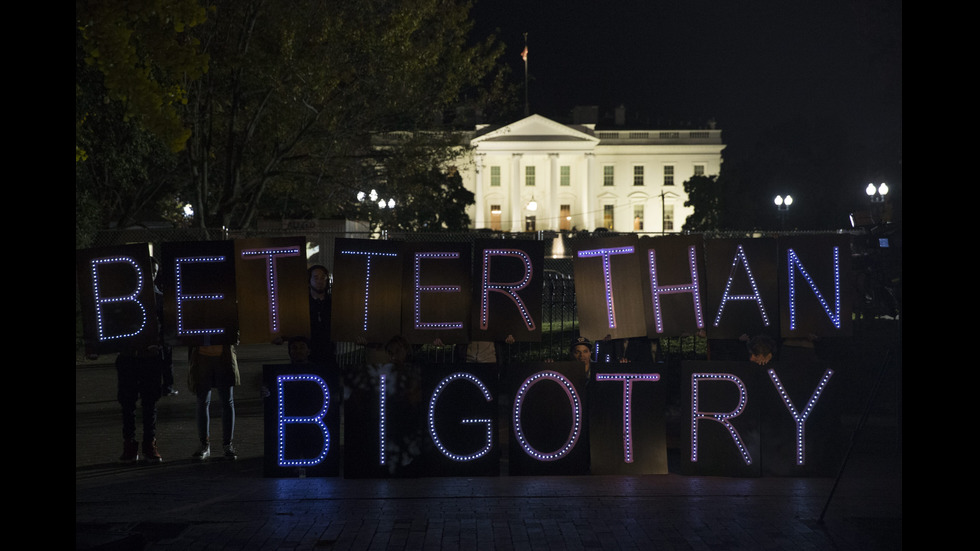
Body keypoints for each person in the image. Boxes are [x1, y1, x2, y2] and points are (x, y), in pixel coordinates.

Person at [114, 256, 169, 463]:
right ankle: (130, 445)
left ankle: (149, 444)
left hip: (150, 359)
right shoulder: (124, 298)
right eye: (149, 271)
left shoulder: (161, 300)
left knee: (149, 403)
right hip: (128, 358)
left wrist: (161, 344)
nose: (151, 275)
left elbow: (170, 330)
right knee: (127, 403)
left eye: (154, 272)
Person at [188, 344, 240, 460]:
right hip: (211, 355)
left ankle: (209, 445)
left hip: (214, 355)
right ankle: (223, 445)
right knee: (219, 402)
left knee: (207, 402)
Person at [308, 265, 337, 369]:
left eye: (323, 278)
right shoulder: (302, 304)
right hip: (307, 353)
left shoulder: (334, 303)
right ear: (309, 280)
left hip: (329, 352)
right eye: (316, 278)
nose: (320, 281)